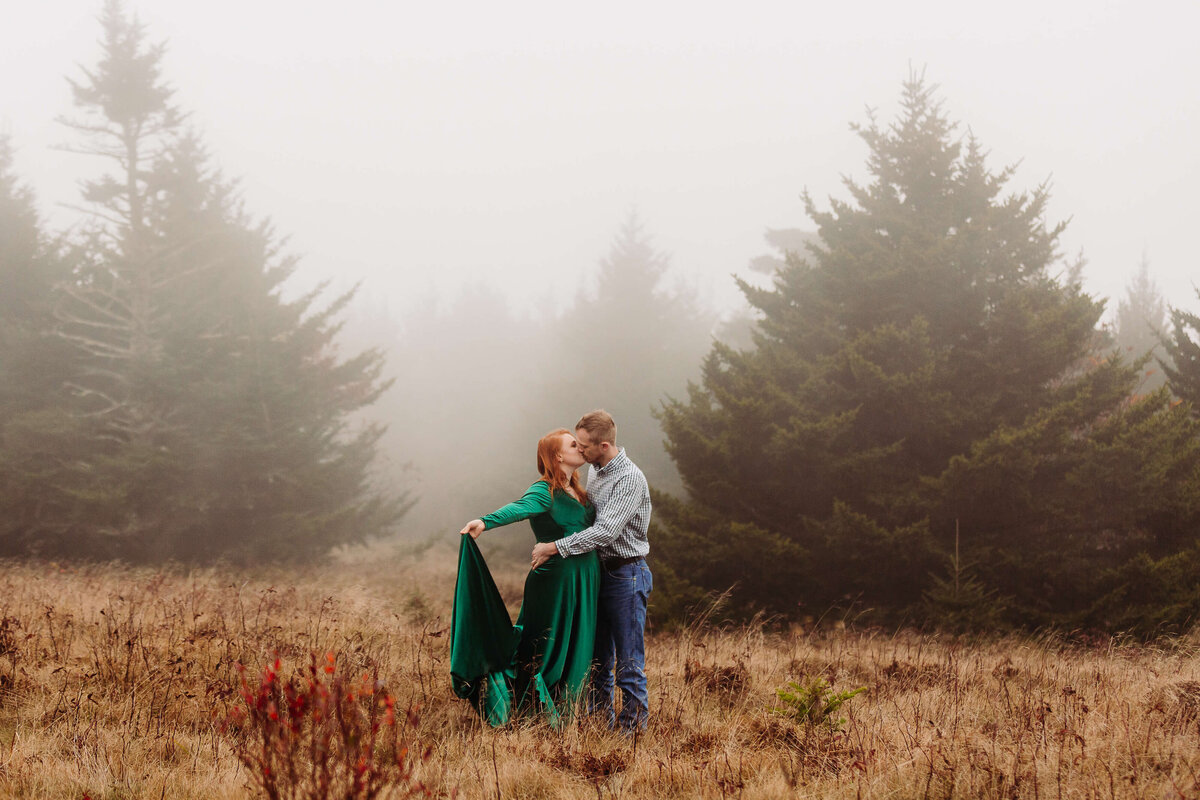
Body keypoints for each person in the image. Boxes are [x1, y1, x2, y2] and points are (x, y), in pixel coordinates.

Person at [450, 429, 600, 727]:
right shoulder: (544, 490)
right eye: (573, 444)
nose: (580, 447)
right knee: (547, 650)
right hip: (556, 583)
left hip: (585, 579)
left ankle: (568, 717)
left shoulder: (581, 492)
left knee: (578, 647)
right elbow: (520, 508)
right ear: (558, 456)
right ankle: (533, 714)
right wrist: (485, 521)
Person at [531, 410, 652, 731]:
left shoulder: (629, 479)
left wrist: (554, 547)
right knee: (598, 661)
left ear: (603, 445)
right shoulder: (596, 470)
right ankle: (599, 728)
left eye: (584, 445)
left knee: (629, 663)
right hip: (598, 577)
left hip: (627, 576)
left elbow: (605, 532)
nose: (579, 450)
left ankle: (632, 735)